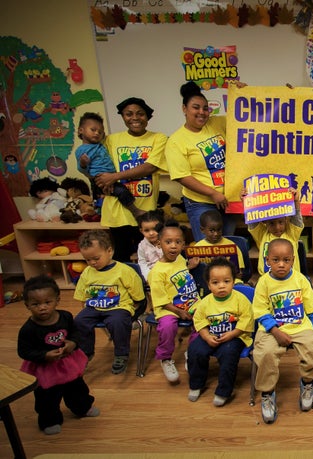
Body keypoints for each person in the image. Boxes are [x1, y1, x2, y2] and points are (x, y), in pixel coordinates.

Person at [18, 275, 100, 435]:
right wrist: (44, 355)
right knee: (47, 397)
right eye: (36, 304)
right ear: (27, 305)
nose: (42, 307)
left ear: (57, 300)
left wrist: (73, 343)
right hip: (45, 369)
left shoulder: (66, 317)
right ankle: (49, 420)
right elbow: (24, 351)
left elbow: (76, 333)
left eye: (47, 302)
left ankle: (82, 408)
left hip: (67, 363)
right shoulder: (28, 329)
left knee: (77, 389)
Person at [252, 238, 313, 424]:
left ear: (293, 260)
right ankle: (267, 392)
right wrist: (275, 331)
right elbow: (260, 311)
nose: (281, 265)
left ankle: (307, 382)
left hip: (300, 326)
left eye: (286, 260)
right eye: (276, 260)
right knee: (265, 353)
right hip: (271, 328)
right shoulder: (264, 282)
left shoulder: (300, 279)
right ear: (267, 261)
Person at [94, 97, 168, 262]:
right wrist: (101, 181)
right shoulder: (111, 140)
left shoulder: (159, 138)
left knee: (151, 258)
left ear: (147, 117)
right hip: (117, 211)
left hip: (145, 212)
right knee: (121, 257)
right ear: (123, 117)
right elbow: (98, 164)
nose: (135, 118)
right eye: (129, 114)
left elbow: (150, 166)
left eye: (140, 114)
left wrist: (114, 177)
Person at [166, 81, 236, 242]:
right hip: (201, 203)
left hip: (227, 200)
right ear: (184, 109)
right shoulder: (176, 141)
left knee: (228, 246)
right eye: (196, 107)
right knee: (209, 249)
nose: (202, 112)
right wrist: (213, 193)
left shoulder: (217, 123)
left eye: (205, 108)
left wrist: (242, 92)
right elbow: (182, 177)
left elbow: (245, 118)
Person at [73, 230, 145, 374]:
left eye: (96, 258)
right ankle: (86, 352)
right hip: (94, 307)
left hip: (118, 307)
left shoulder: (124, 271)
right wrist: (86, 310)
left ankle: (121, 354)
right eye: (88, 260)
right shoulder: (87, 272)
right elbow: (82, 296)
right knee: (79, 321)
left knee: (117, 322)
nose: (92, 263)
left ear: (110, 251)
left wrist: (133, 309)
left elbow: (138, 296)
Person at [187, 257, 254, 406]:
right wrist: (206, 336)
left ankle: (224, 391)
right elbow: (199, 321)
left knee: (228, 353)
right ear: (209, 285)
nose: (221, 286)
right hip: (210, 335)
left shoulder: (240, 299)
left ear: (233, 281)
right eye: (215, 282)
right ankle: (196, 384)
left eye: (226, 281)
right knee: (195, 350)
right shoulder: (205, 302)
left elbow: (247, 319)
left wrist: (232, 334)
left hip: (235, 336)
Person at [147, 220, 200, 382]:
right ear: (159, 244)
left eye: (178, 242)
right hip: (170, 308)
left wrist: (189, 266)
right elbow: (161, 301)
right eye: (168, 242)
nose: (173, 246)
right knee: (168, 327)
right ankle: (165, 358)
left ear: (183, 245)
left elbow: (177, 275)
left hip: (191, 303)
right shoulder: (156, 272)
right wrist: (179, 311)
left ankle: (191, 351)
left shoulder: (179, 260)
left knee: (204, 319)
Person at [74, 112, 145, 219]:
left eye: (100, 132)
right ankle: (135, 211)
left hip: (110, 177)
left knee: (108, 195)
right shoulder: (82, 150)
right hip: (100, 179)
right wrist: (83, 163)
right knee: (121, 191)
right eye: (93, 130)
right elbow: (83, 170)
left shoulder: (100, 144)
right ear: (81, 130)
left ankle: (98, 210)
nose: (97, 133)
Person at [248, 188, 303, 276]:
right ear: (265, 222)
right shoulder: (262, 234)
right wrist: (248, 200)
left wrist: (296, 201)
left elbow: (297, 219)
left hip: (291, 279)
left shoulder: (291, 233)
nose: (277, 228)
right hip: (267, 279)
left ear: (286, 219)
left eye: (280, 222)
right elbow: (252, 221)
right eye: (271, 223)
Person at [191, 209, 245, 276]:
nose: (216, 234)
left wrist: (238, 274)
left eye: (219, 230)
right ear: (202, 230)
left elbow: (239, 272)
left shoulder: (231, 246)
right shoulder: (197, 248)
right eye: (212, 230)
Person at [136, 210, 164, 280]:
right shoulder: (142, 245)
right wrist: (148, 277)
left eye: (154, 229)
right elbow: (142, 263)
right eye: (146, 230)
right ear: (141, 231)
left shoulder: (168, 241)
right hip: (151, 276)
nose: (151, 233)